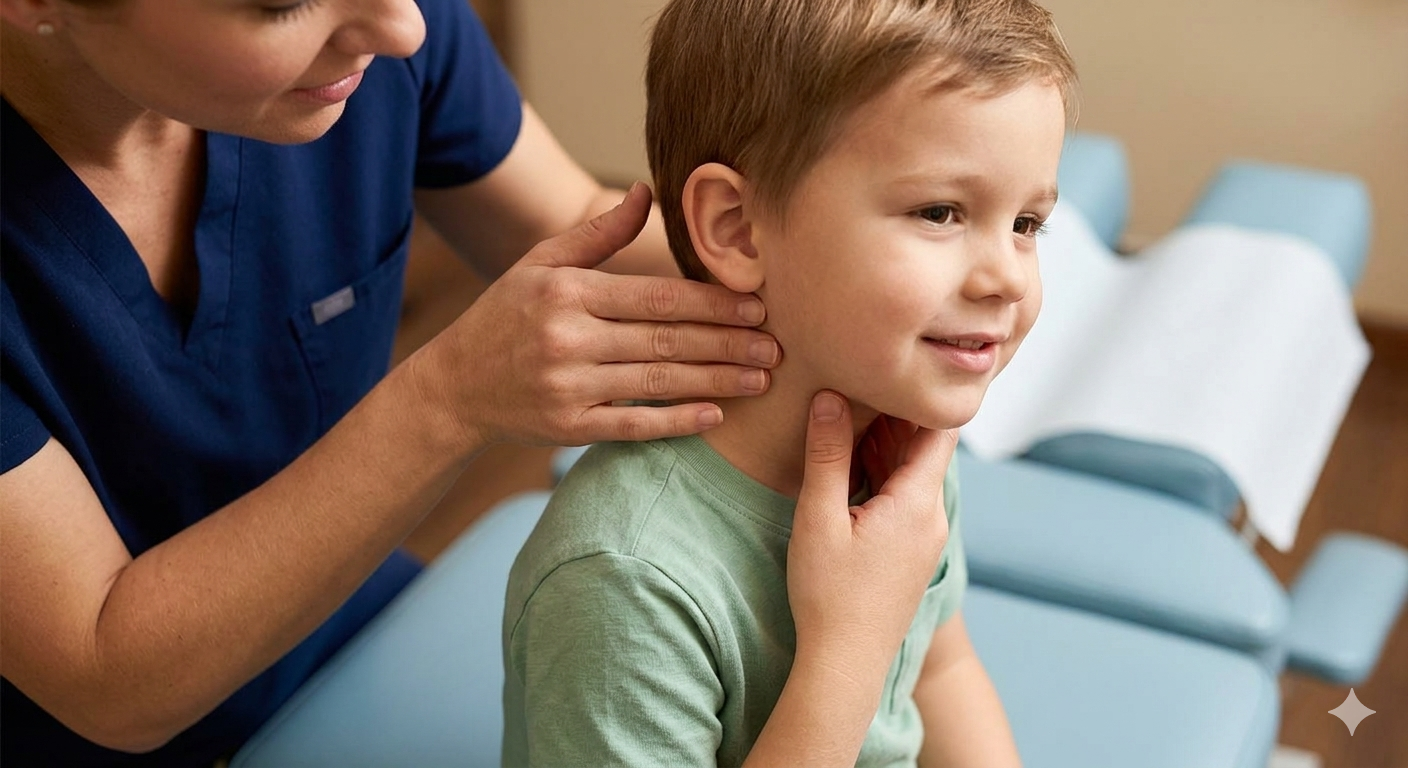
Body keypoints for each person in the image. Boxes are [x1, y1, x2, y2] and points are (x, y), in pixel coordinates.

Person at [0, 0, 959, 765]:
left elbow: (584, 221)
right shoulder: (611, 578)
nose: (406, 27)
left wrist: (888, 272)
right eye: (280, 3)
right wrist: (448, 397)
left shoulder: (370, 40)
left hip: (344, 630)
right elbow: (106, 677)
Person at [501, 0, 1077, 765]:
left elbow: (941, 669)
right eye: (940, 212)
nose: (1008, 275)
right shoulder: (624, 582)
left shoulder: (901, 447)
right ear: (738, 228)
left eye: (1027, 225)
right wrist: (850, 643)